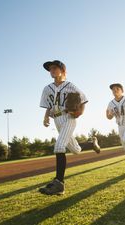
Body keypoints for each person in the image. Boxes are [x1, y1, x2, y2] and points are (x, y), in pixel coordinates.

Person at [38, 60, 100, 195]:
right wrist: (46, 116)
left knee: (59, 146)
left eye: (55, 68)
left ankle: (59, 183)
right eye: (50, 69)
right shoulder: (47, 88)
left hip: (69, 117)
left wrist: (80, 112)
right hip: (57, 119)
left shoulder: (70, 85)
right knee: (76, 150)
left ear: (62, 71)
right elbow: (49, 105)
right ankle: (91, 143)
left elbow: (83, 99)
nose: (52, 70)